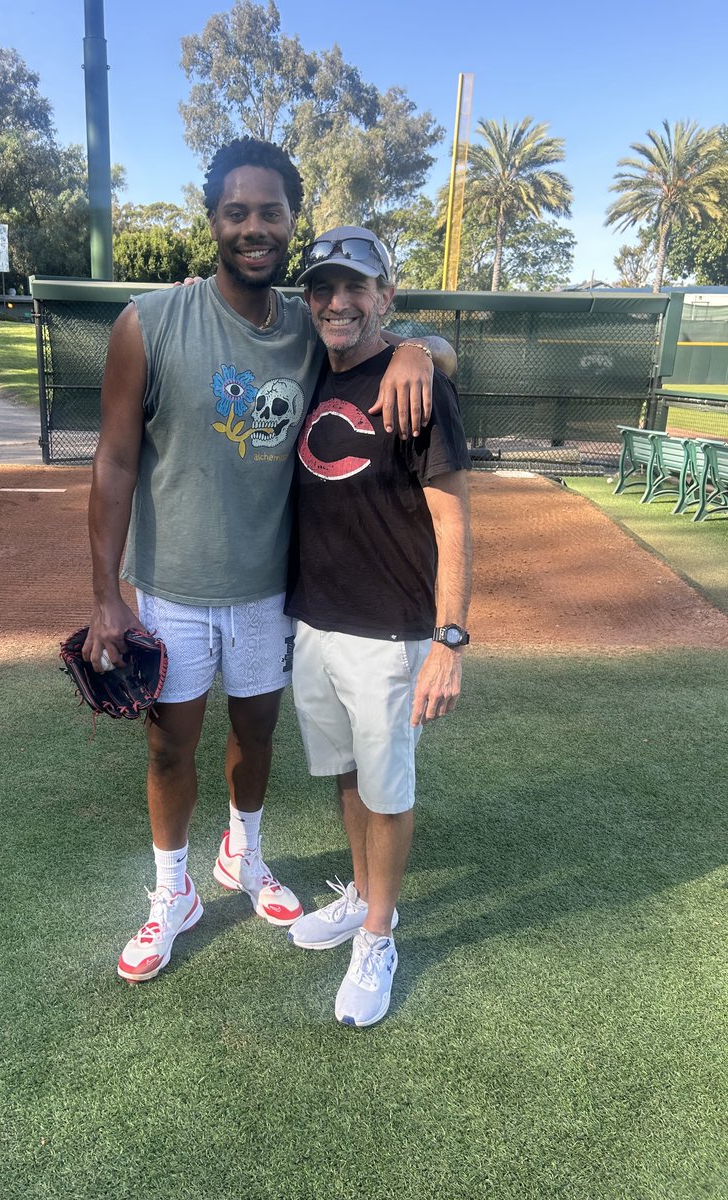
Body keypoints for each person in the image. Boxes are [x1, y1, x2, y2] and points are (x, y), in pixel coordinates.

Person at [83, 140, 438, 984]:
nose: (254, 227)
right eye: (237, 212)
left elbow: (393, 339)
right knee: (169, 748)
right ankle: (173, 892)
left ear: (291, 222)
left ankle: (243, 855)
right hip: (172, 588)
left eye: (270, 212)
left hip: (271, 591)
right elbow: (114, 462)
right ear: (211, 221)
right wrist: (106, 597)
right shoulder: (149, 321)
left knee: (257, 735)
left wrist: (420, 350)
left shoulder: (310, 327)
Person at [285, 226, 473, 1028]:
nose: (337, 303)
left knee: (388, 791)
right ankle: (362, 895)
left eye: (355, 287)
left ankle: (378, 936)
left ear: (385, 297)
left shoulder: (417, 383)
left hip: (391, 632)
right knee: (346, 775)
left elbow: (454, 521)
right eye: (323, 288)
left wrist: (449, 641)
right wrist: (426, 345)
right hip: (315, 623)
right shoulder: (305, 364)